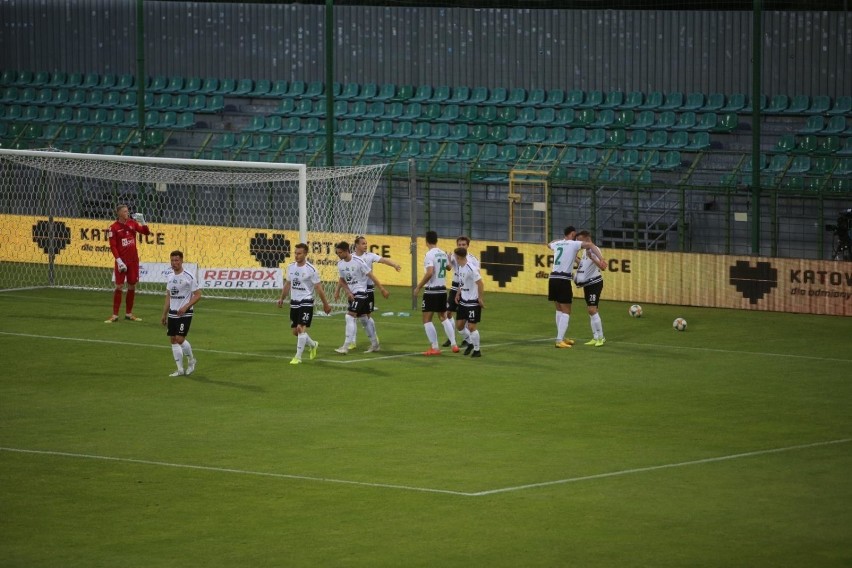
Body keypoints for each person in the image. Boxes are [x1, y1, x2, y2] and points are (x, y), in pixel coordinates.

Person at [547, 225, 605, 349]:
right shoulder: (574, 245)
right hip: (563, 280)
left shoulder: (558, 244)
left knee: (558, 309)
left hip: (553, 278)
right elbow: (590, 245)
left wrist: (561, 240)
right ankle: (559, 340)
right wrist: (601, 259)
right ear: (573, 234)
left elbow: (549, 244)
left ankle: (562, 337)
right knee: (566, 311)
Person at [277, 243, 332, 365]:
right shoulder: (291, 267)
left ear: (305, 254)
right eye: (295, 253)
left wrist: (325, 304)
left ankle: (298, 357)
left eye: (299, 253)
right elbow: (288, 284)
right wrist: (281, 298)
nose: (296, 255)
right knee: (295, 332)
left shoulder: (311, 269)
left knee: (300, 328)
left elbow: (318, 288)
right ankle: (313, 344)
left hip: (306, 301)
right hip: (294, 302)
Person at [334, 241, 389, 354]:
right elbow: (342, 280)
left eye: (340, 252)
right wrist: (344, 291)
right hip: (353, 294)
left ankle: (345, 346)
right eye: (337, 253)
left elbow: (371, 275)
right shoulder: (340, 264)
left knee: (349, 317)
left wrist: (382, 289)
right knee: (364, 319)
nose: (338, 254)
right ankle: (375, 344)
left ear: (346, 251)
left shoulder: (359, 262)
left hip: (361, 293)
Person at [349, 234, 402, 349]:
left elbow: (383, 260)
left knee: (366, 316)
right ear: (356, 245)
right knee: (352, 315)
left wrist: (394, 265)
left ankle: (374, 338)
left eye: (366, 243)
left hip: (368, 290)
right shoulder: (351, 257)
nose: (365, 245)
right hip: (355, 290)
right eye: (363, 243)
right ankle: (352, 341)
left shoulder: (370, 256)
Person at [105, 204, 151, 323]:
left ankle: (129, 313)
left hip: (133, 261)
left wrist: (143, 221)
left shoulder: (132, 223)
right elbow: (113, 246)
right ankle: (115, 315)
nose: (127, 213)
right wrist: (119, 261)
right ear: (119, 213)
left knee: (132, 285)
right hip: (121, 262)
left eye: (127, 211)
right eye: (125, 211)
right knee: (119, 286)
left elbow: (146, 232)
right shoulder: (113, 228)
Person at [413, 230, 456, 355]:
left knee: (426, 319)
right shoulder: (442, 253)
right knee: (443, 316)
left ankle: (435, 347)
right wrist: (448, 258)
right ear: (436, 240)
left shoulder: (429, 255)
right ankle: (454, 344)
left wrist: (418, 287)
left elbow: (430, 272)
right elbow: (449, 267)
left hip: (432, 291)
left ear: (426, 241)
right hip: (442, 290)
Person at [161, 250, 201, 377]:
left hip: (185, 312)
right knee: (173, 339)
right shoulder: (170, 276)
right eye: (172, 260)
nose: (174, 263)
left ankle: (191, 361)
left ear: (182, 261)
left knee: (180, 338)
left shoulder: (189, 276)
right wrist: (164, 314)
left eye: (177, 260)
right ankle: (180, 370)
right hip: (173, 313)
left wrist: (186, 306)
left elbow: (198, 294)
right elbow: (168, 295)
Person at [444, 235, 479, 351]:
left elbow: (477, 278)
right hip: (455, 287)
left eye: (463, 244)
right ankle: (452, 337)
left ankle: (468, 339)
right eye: (459, 244)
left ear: (468, 245)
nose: (461, 246)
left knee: (466, 317)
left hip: (467, 290)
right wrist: (448, 259)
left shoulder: (473, 260)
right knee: (448, 313)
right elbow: (448, 268)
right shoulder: (454, 256)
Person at [573, 229, 608, 347]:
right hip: (587, 284)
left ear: (587, 239)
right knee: (591, 311)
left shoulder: (595, 250)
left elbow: (603, 267)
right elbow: (582, 264)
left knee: (592, 310)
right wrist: (574, 258)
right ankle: (595, 337)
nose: (579, 243)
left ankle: (601, 338)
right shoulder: (585, 251)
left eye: (580, 240)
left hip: (595, 283)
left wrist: (593, 258)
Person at [453, 247, 485, 358]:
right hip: (463, 301)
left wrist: (480, 298)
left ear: (458, 257)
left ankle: (477, 350)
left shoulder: (471, 268)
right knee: (460, 326)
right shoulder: (460, 267)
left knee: (471, 327)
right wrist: (458, 293)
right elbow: (462, 283)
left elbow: (480, 284)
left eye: (455, 256)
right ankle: (470, 343)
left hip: (472, 302)